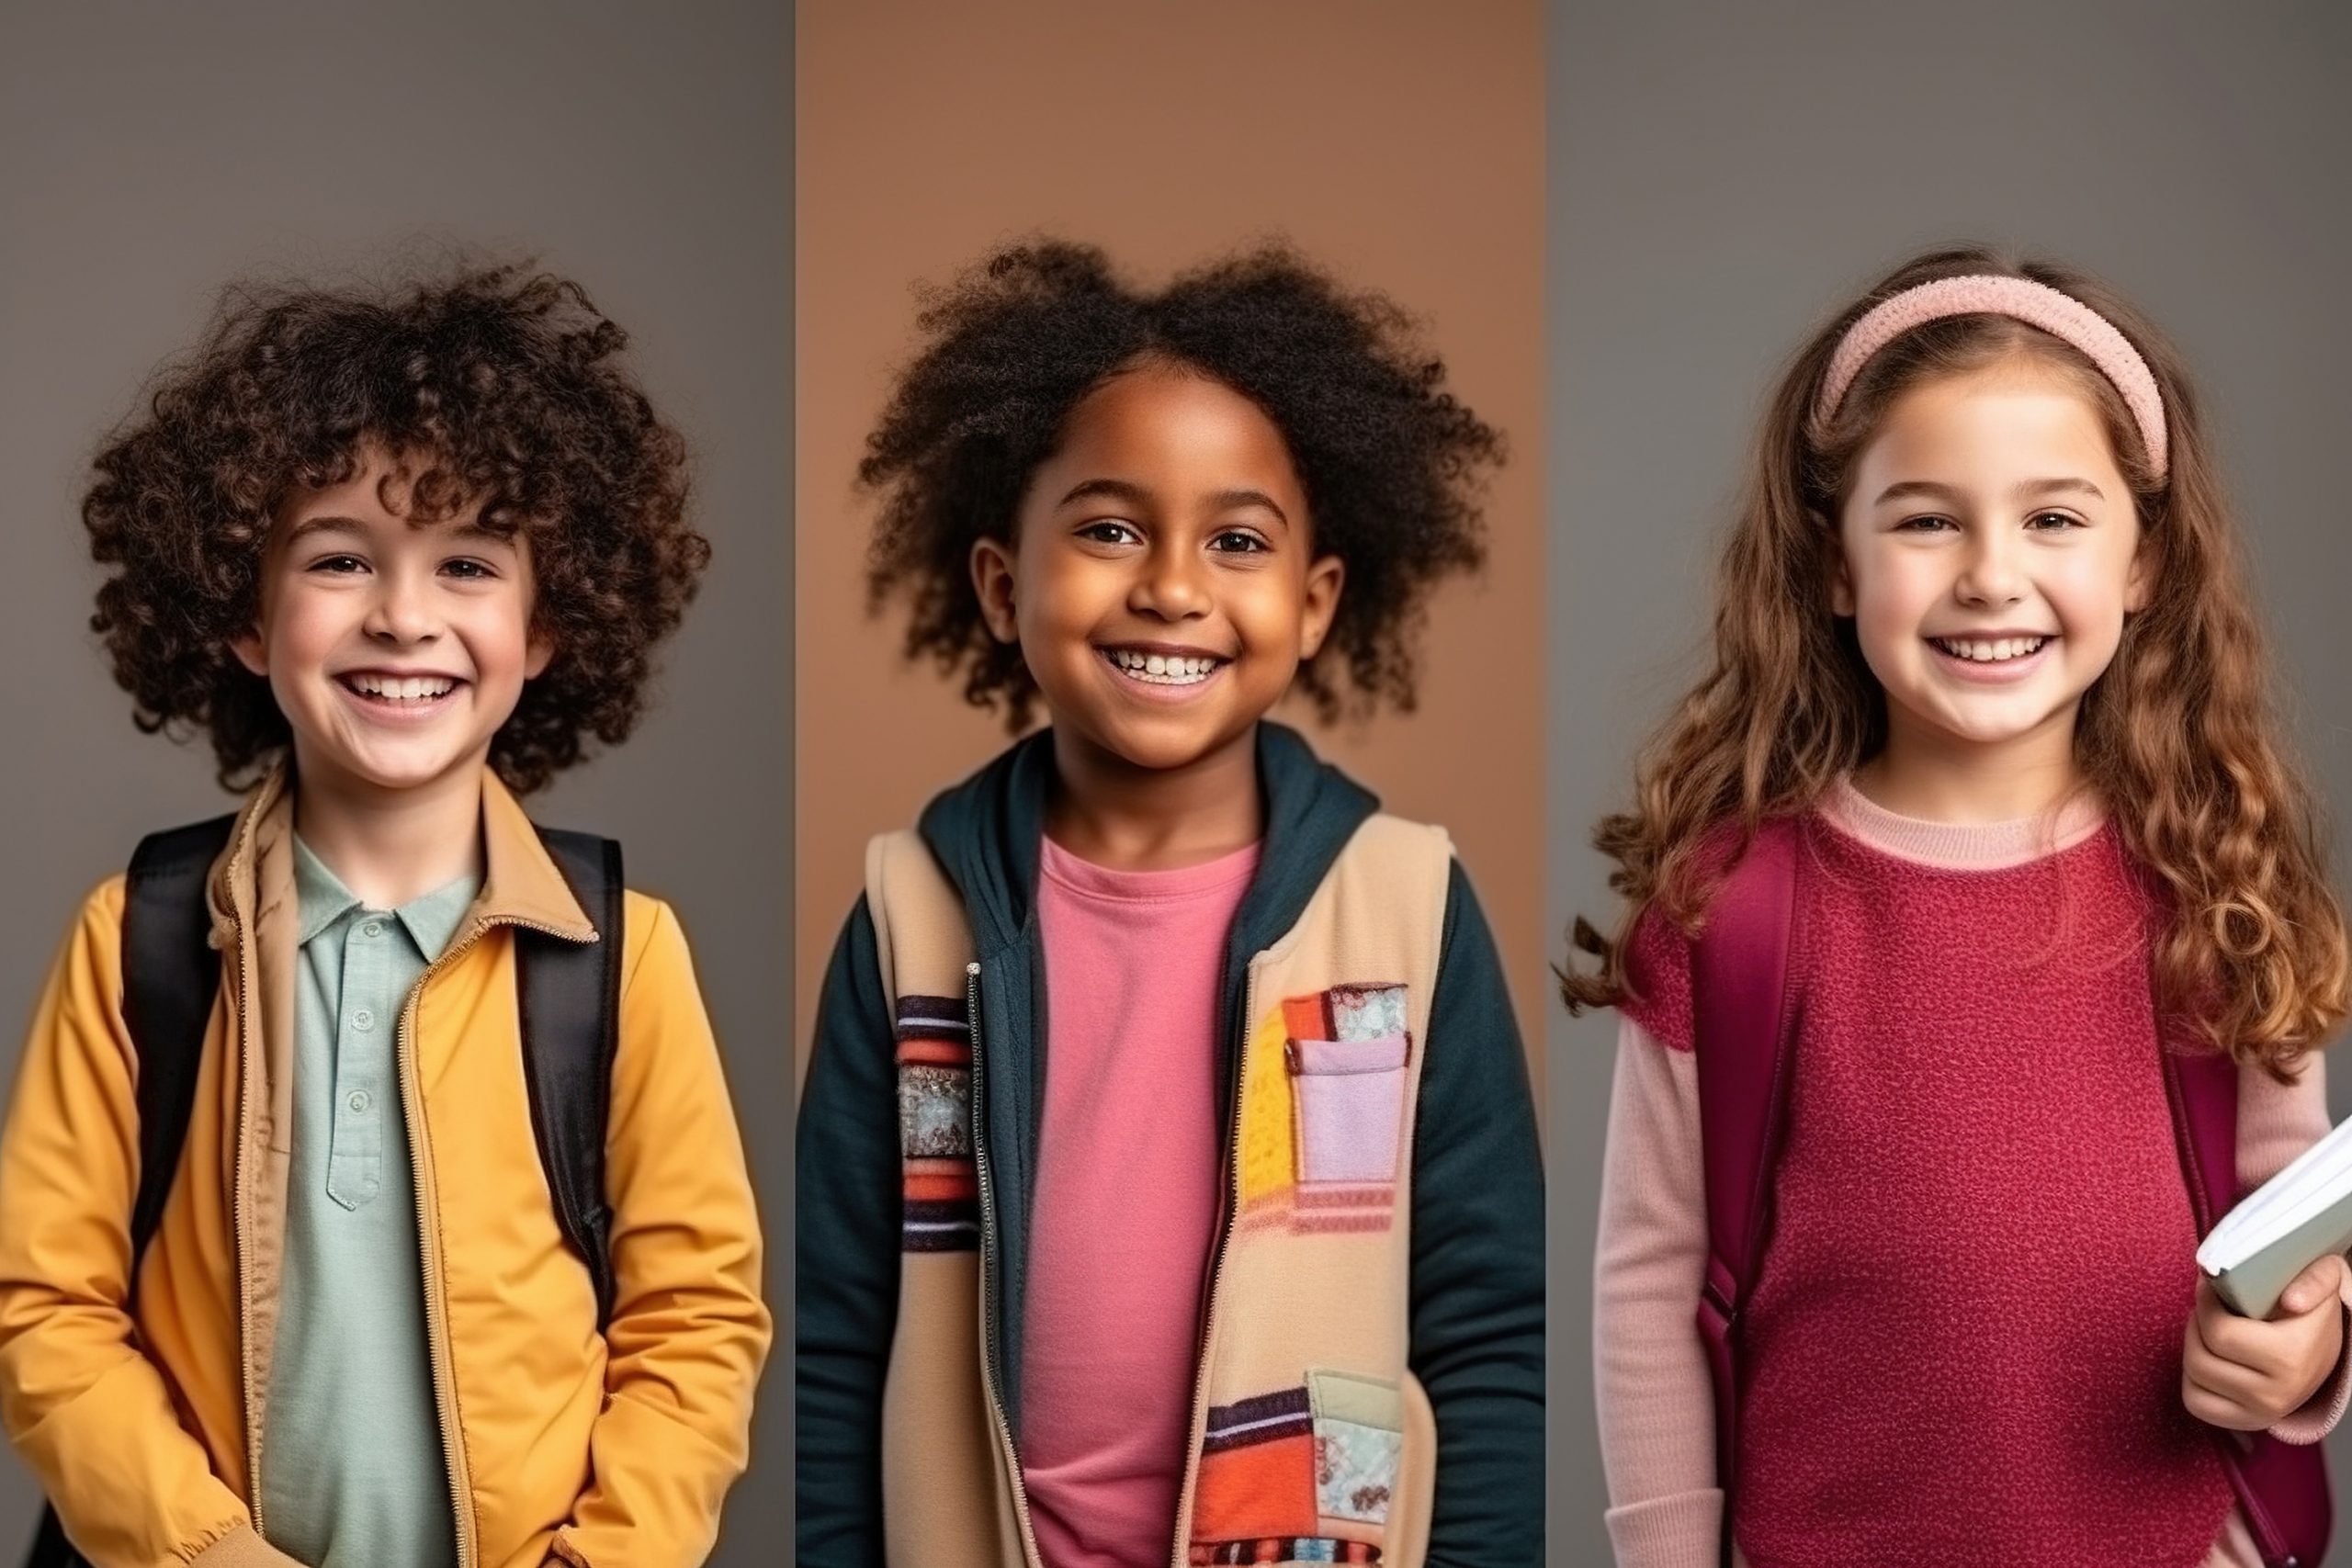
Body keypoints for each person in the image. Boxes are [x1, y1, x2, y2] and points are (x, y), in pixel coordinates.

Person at [1567, 247, 2352, 1568]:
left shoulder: (2219, 883)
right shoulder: (1732, 911)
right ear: (1833, 561)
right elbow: (1651, 1283)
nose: (1992, 575)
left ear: (2145, 563)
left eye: (2054, 519)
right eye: (1928, 520)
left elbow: (2294, 1224)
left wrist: (2305, 1356)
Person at [0, 265, 771, 1568]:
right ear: (246, 617)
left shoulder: (620, 953)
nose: (405, 616)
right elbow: (48, 1309)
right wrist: (203, 1555)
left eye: (468, 562)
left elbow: (695, 1321)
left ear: (548, 628)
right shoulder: (137, 934)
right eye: (342, 558)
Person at [796, 240, 1544, 1568]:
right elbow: (836, 1339)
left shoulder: (1405, 909)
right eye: (1108, 529)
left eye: (1237, 541)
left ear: (1313, 605)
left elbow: (1485, 1332)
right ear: (998, 584)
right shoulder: (912, 916)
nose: (1174, 587)